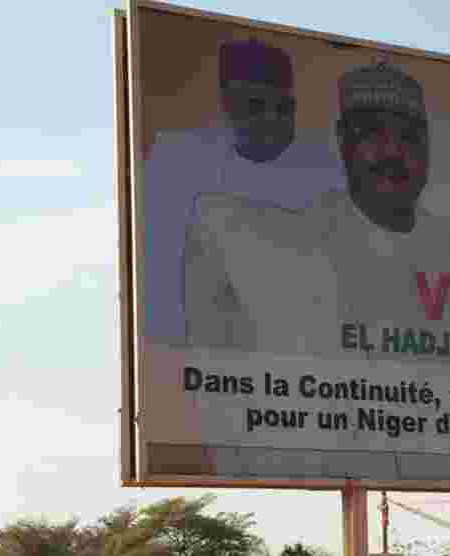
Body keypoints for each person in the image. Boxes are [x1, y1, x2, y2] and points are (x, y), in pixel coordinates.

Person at [182, 60, 450, 361]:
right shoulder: (294, 237)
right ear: (343, 141)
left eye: (409, 138)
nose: (393, 153)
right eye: (372, 134)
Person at [143, 38, 347, 345]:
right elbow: (159, 281)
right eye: (255, 106)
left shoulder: (326, 174)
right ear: (227, 105)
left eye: (282, 108)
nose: (271, 120)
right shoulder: (178, 163)